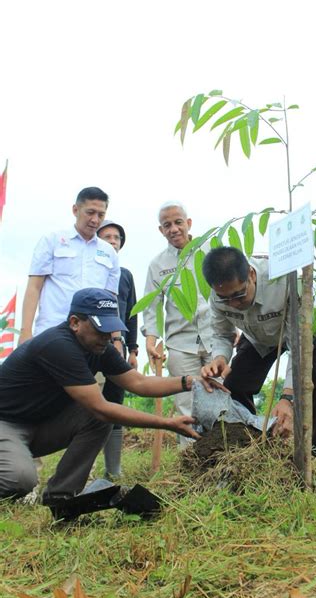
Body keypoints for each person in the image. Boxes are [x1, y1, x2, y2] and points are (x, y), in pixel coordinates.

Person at [0, 288, 226, 511]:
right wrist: (167, 424)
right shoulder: (58, 346)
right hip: (6, 423)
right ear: (75, 322)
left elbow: (139, 383)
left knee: (96, 418)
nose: (107, 337)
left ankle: (61, 497)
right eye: (100, 330)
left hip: (40, 424)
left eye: (111, 330)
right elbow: (100, 407)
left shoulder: (98, 347)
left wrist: (189, 381)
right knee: (19, 479)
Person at [200, 247, 316, 457]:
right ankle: (251, 447)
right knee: (234, 386)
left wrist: (287, 399)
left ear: (251, 275)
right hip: (258, 336)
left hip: (307, 332)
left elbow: (298, 347)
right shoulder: (218, 295)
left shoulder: (284, 282)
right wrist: (220, 358)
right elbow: (222, 333)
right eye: (226, 299)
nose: (234, 305)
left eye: (239, 294)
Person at [143, 202, 212, 442]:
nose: (173, 229)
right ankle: (191, 463)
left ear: (188, 223)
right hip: (180, 345)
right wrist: (151, 341)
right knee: (187, 406)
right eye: (167, 225)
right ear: (161, 230)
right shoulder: (158, 265)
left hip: (216, 340)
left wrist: (235, 327)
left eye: (178, 222)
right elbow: (151, 307)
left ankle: (222, 460)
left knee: (220, 401)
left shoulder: (209, 250)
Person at [18, 186, 120, 344]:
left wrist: (117, 339)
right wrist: (25, 332)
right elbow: (34, 287)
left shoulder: (109, 252)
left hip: (92, 337)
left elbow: (110, 300)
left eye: (101, 215)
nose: (95, 220)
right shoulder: (52, 241)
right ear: (75, 210)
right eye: (90, 212)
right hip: (52, 332)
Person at [96, 219, 138, 478]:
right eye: (107, 237)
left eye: (117, 238)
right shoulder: (90, 271)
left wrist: (132, 350)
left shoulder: (125, 276)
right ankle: (83, 470)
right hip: (90, 347)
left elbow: (131, 314)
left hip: (118, 347)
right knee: (88, 407)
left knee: (115, 404)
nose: (113, 241)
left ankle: (114, 470)